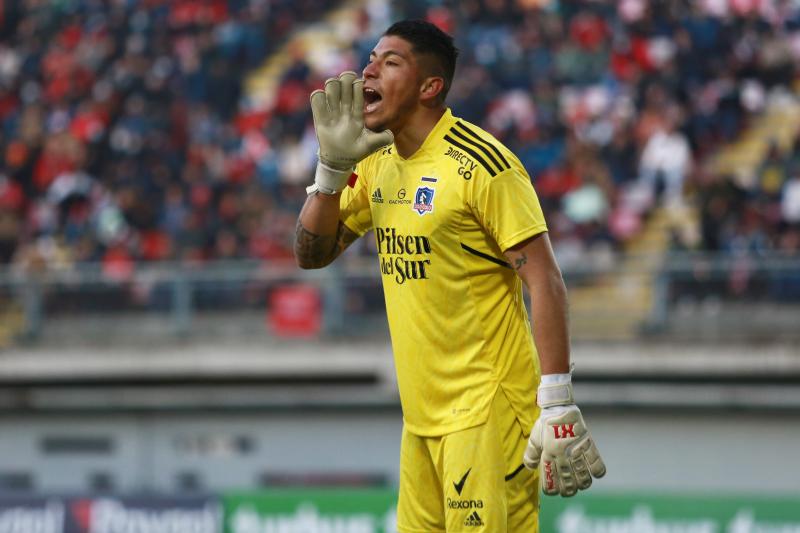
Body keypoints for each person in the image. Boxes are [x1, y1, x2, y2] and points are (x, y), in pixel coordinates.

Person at [294, 20, 605, 532]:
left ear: (429, 86)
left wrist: (557, 400)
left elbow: (545, 280)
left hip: (487, 410)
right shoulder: (376, 163)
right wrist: (329, 173)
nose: (368, 68)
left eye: (390, 61)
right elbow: (311, 253)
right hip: (420, 419)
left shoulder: (483, 164)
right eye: (371, 57)